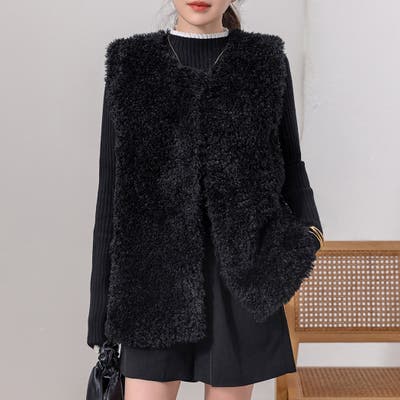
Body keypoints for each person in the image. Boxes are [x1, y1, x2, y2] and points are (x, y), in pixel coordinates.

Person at [87, 1, 324, 399]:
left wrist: (311, 233)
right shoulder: (131, 64)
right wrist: (101, 313)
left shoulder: (265, 61)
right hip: (152, 284)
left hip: (242, 280)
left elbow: (290, 162)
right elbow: (111, 192)